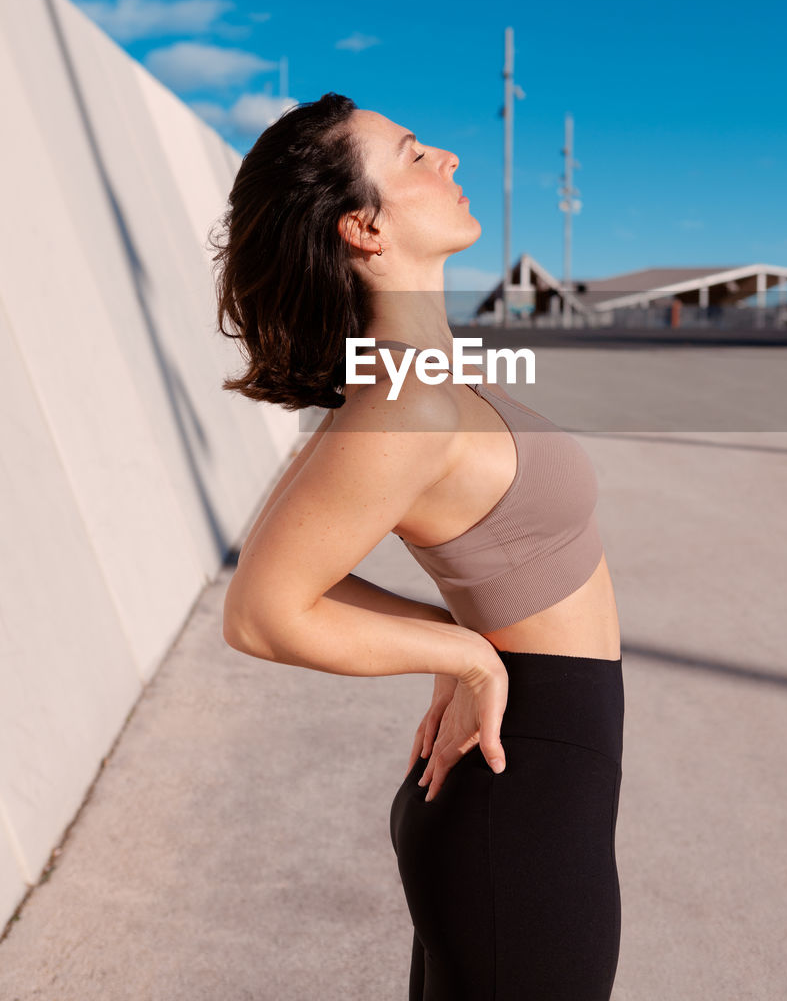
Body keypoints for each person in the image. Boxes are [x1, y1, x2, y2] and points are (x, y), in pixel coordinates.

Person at [211, 92, 624, 1000]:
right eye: (410, 155)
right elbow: (262, 610)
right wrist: (464, 652)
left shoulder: (418, 380)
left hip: (527, 784)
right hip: (522, 801)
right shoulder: (406, 399)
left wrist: (452, 636)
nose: (447, 157)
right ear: (363, 225)